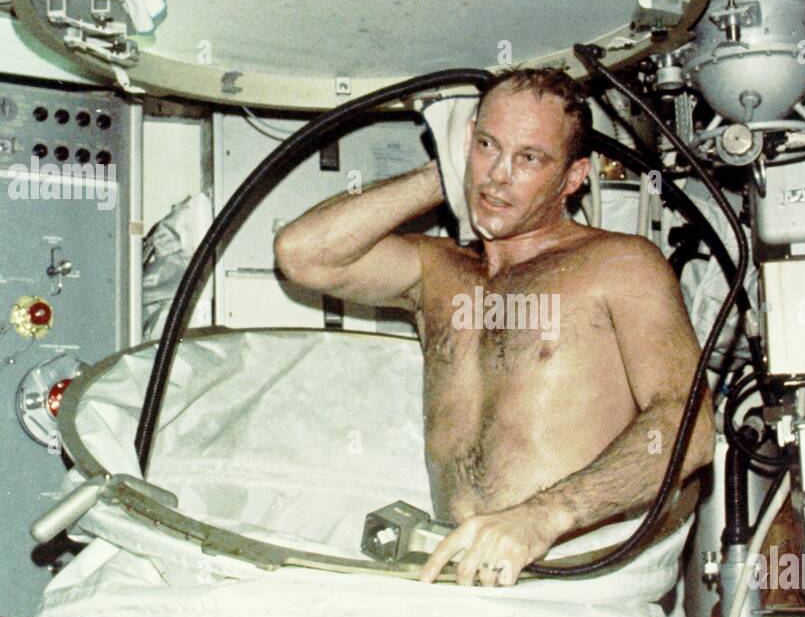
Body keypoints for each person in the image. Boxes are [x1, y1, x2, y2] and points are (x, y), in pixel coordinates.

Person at [274, 68, 713, 586]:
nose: (498, 175)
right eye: (487, 145)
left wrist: (545, 517)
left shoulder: (620, 264)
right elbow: (303, 255)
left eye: (529, 158)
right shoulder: (438, 271)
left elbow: (690, 429)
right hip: (455, 577)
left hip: (570, 583)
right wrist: (447, 172)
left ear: (573, 178)